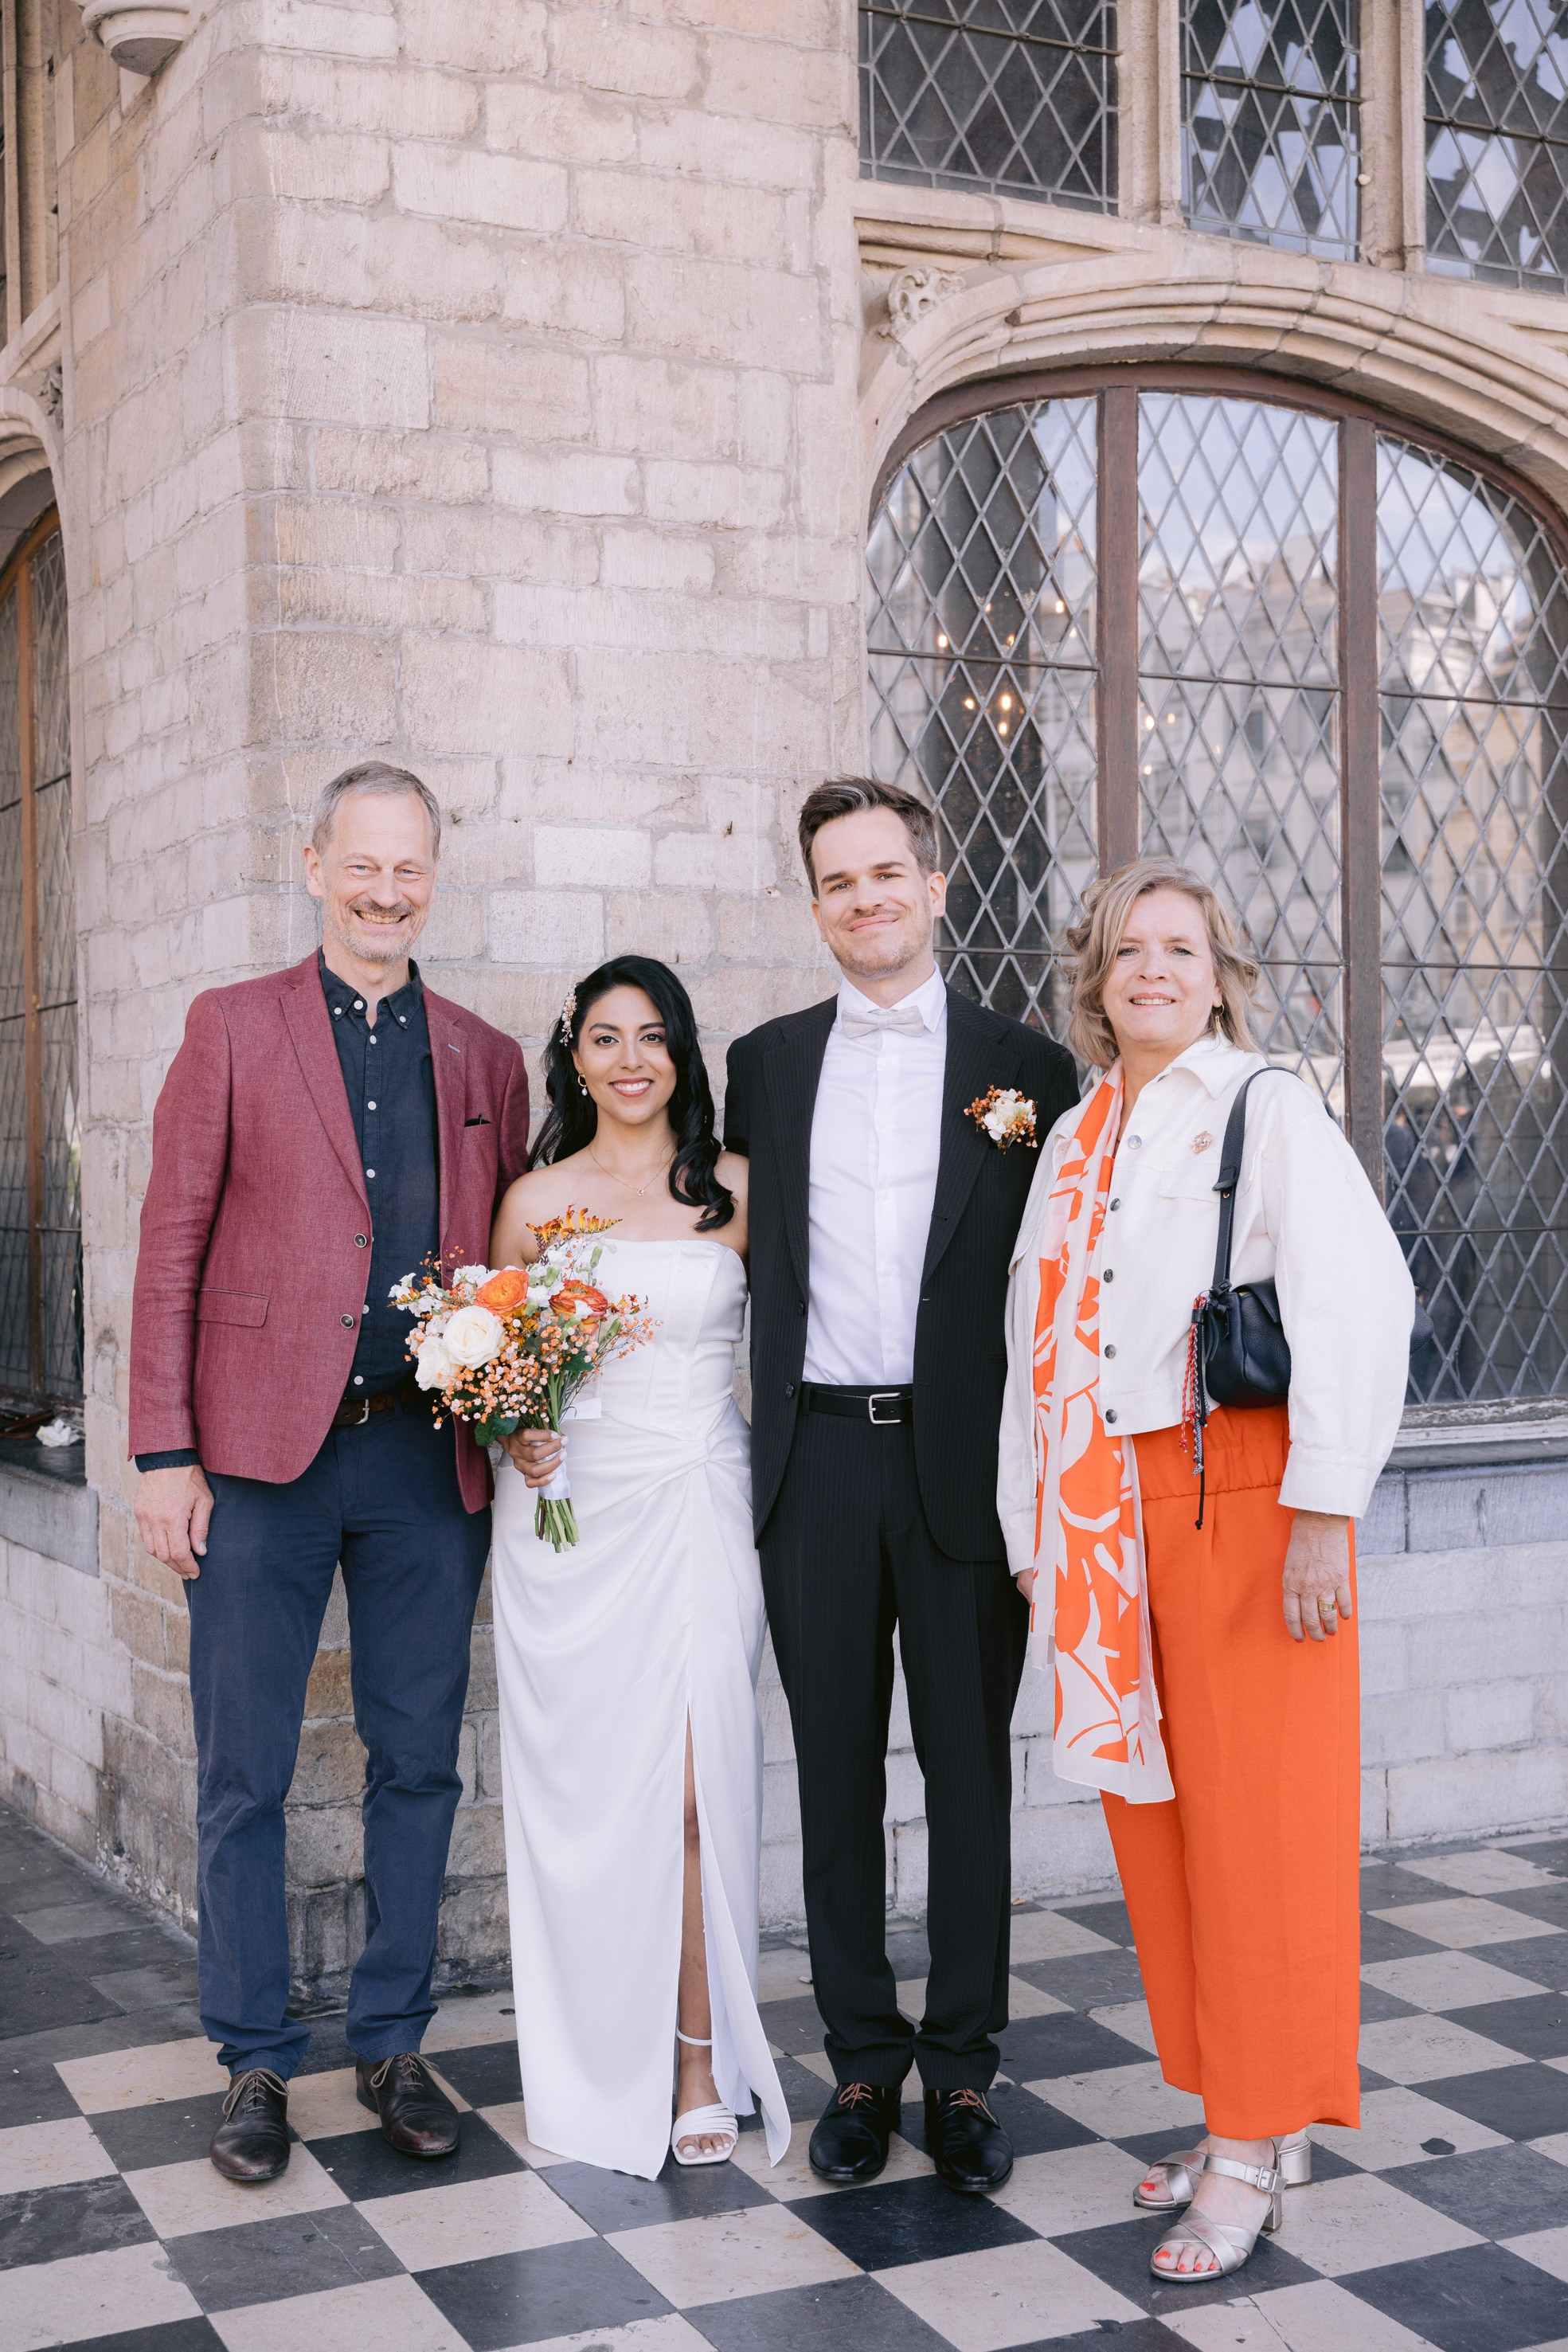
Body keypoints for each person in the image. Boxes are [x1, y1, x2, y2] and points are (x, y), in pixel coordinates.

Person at [997, 855, 1414, 2283]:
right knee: (1157, 1831)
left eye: (1177, 948)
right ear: (1095, 982)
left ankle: (1250, 2152)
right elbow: (1030, 1353)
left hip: (1237, 1496)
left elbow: (1359, 1298)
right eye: (1126, 952)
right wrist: (1029, 1535)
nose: (1151, 972)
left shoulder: (1264, 1103)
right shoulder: (1073, 1136)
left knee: (1260, 1833)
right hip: (1106, 1519)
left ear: (1217, 969)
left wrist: (1320, 1507)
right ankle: (1237, 2108)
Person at [129, 762, 530, 2183]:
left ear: (434, 875)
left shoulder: (484, 1056)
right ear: (313, 866)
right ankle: (252, 2058)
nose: (384, 890)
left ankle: (393, 2039)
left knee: (419, 1761)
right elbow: (171, 1244)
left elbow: (506, 1264)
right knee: (244, 1770)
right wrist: (164, 1450)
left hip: (426, 1464)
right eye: (360, 865)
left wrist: (524, 1403)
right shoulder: (231, 1027)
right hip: (255, 1464)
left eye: (408, 868)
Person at [724, 778, 1078, 2195]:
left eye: (884, 873)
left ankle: (966, 2069)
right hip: (812, 1457)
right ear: (812, 904)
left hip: (961, 1467)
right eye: (834, 880)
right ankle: (860, 2063)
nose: (862, 897)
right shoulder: (761, 1062)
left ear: (935, 887)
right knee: (828, 1780)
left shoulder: (1030, 1070)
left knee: (971, 1774)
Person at [491, 956, 790, 2180]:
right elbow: (498, 1373)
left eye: (652, 1036)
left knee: (689, 1787)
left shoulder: (735, 1190)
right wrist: (520, 1427)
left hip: (697, 1497)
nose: (629, 1059)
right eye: (605, 1037)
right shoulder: (532, 1199)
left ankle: (694, 2062)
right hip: (569, 1515)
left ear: (682, 1055)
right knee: (589, 1798)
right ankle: (598, 2048)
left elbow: (798, 1351)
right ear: (572, 1053)